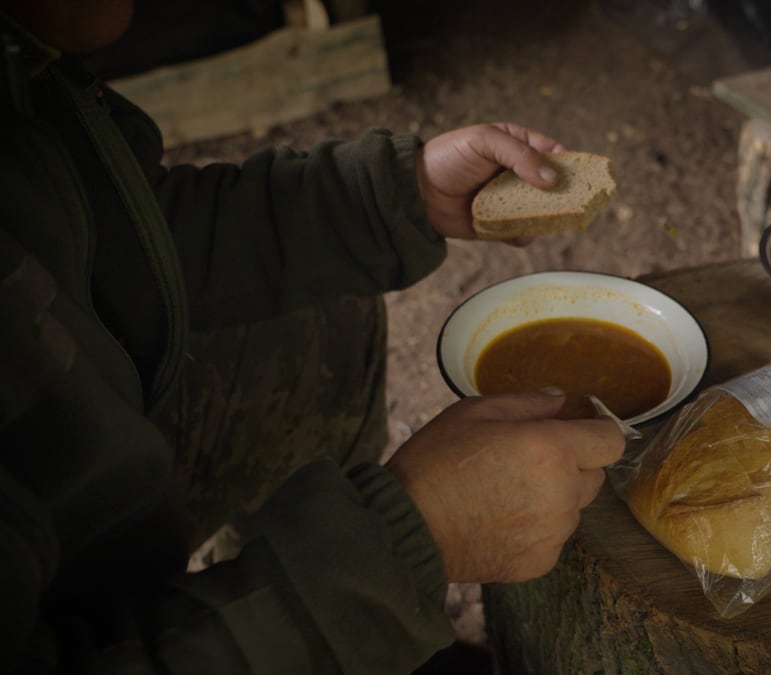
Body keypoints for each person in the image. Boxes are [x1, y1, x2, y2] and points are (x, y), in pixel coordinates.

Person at [0, 1, 625, 673]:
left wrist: (389, 196)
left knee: (322, 318)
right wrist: (410, 544)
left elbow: (116, 241)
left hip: (70, 438)